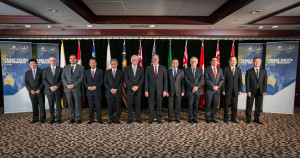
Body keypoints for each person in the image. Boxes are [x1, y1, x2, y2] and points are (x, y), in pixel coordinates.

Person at [61, 54, 85, 124]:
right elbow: (63, 77)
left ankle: (78, 118)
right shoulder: (65, 67)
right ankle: (72, 118)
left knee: (78, 104)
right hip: (68, 89)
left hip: (76, 89)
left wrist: (74, 85)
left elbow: (81, 77)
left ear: (76, 59)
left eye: (74, 58)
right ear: (69, 60)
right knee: (70, 105)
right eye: (71, 58)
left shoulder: (81, 67)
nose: (72, 60)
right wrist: (67, 85)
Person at [144, 54, 167, 124]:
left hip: (160, 90)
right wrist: (146, 90)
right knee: (151, 104)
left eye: (156, 58)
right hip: (150, 90)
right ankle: (151, 119)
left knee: (159, 104)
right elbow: (146, 80)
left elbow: (165, 80)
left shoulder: (163, 68)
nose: (155, 60)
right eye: (154, 58)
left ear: (158, 59)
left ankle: (159, 119)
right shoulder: (148, 68)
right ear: (152, 60)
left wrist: (165, 90)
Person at [245, 57, 267, 124]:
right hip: (251, 92)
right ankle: (248, 119)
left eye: (258, 62)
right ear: (253, 63)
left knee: (258, 106)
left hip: (260, 91)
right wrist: (248, 91)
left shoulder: (264, 71)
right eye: (255, 62)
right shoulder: (249, 71)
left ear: (260, 63)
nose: (256, 63)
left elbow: (265, 82)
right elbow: (247, 82)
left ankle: (256, 119)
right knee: (249, 105)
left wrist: (264, 91)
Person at [42, 56, 63, 124]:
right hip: (49, 90)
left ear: (56, 61)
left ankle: (58, 118)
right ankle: (52, 118)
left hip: (58, 90)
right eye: (51, 60)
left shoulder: (60, 69)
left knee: (58, 105)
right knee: (51, 105)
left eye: (54, 60)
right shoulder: (45, 70)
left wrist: (57, 86)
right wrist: (50, 87)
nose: (53, 62)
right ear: (49, 61)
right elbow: (44, 79)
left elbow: (62, 79)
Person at [124, 55, 144, 124]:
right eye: (133, 60)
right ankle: (130, 119)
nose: (135, 61)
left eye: (136, 60)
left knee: (138, 105)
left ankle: (138, 118)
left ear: (138, 61)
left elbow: (142, 79)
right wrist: (132, 86)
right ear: (131, 61)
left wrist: (137, 86)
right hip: (130, 90)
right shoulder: (126, 68)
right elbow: (126, 79)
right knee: (130, 105)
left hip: (138, 90)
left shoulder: (141, 68)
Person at [221, 56, 242, 123]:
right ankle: (226, 118)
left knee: (234, 105)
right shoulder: (225, 69)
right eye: (232, 61)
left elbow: (240, 81)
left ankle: (233, 118)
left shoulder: (239, 69)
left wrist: (240, 90)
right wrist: (223, 90)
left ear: (236, 62)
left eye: (234, 61)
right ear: (229, 61)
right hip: (227, 90)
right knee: (226, 105)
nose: (233, 62)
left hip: (235, 90)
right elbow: (223, 81)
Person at [25, 58, 45, 124]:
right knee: (34, 106)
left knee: (42, 106)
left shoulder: (41, 71)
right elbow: (26, 83)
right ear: (29, 65)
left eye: (34, 63)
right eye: (31, 64)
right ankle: (35, 118)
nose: (33, 65)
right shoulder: (27, 73)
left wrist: (39, 89)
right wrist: (30, 90)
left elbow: (43, 81)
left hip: (40, 92)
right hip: (32, 93)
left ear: (36, 64)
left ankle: (42, 118)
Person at [84, 58, 103, 124]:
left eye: (94, 62)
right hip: (89, 92)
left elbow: (101, 81)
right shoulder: (86, 72)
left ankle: (99, 119)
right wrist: (89, 87)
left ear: (96, 63)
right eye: (91, 63)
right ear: (89, 64)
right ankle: (91, 119)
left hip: (97, 91)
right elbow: (85, 81)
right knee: (90, 106)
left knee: (98, 106)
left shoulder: (100, 71)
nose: (92, 64)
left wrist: (96, 87)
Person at [205, 57, 224, 123]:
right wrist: (213, 86)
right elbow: (207, 79)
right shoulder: (207, 69)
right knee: (208, 105)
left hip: (217, 90)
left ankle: (213, 118)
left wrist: (218, 86)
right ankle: (207, 118)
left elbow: (222, 79)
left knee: (215, 105)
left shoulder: (220, 69)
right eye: (213, 61)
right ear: (211, 62)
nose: (215, 62)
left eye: (216, 60)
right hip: (210, 90)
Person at [104, 59, 123, 124]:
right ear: (110, 64)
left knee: (118, 107)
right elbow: (105, 82)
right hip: (109, 92)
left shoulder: (120, 72)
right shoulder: (107, 72)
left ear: (117, 64)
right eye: (112, 64)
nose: (113, 65)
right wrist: (111, 89)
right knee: (110, 107)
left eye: (114, 64)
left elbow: (121, 82)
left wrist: (116, 89)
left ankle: (117, 119)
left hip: (118, 92)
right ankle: (111, 119)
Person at [184, 57, 203, 123]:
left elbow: (201, 80)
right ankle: (190, 118)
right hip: (190, 90)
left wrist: (196, 87)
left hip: (198, 90)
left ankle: (195, 117)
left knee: (196, 105)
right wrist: (193, 87)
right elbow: (186, 80)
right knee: (190, 105)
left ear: (197, 62)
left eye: (195, 61)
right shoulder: (187, 70)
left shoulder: (200, 70)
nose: (193, 62)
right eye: (192, 61)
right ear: (190, 62)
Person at [166, 58, 185, 123]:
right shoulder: (168, 71)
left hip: (178, 91)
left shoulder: (181, 71)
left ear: (178, 64)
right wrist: (166, 91)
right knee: (170, 105)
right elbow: (166, 82)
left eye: (176, 63)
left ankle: (177, 118)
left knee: (178, 105)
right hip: (170, 91)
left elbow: (183, 82)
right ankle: (170, 117)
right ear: (171, 64)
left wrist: (183, 91)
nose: (175, 64)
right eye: (173, 63)